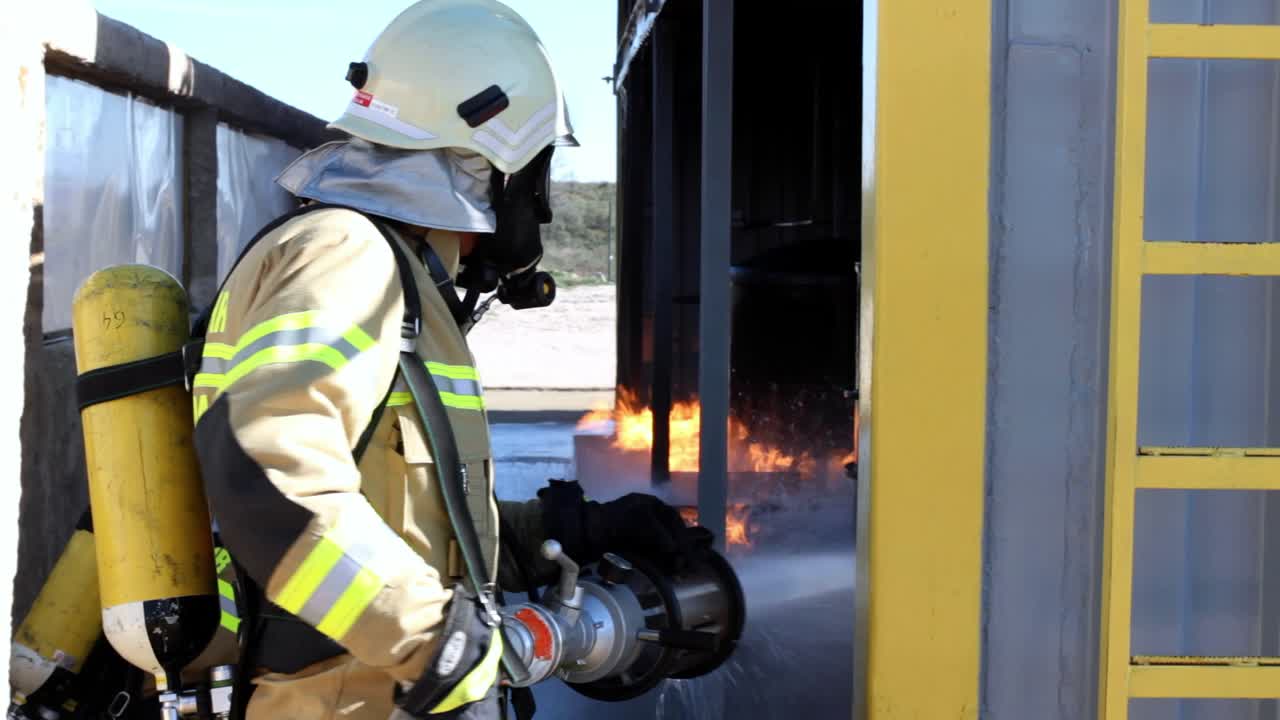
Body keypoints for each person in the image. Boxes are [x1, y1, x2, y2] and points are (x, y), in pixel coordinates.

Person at [189, 2, 689, 718]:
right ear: (492, 159)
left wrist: (566, 529)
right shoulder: (347, 254)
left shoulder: (398, 274)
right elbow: (263, 465)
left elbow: (407, 518)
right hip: (335, 698)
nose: (542, 204)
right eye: (541, 166)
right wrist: (434, 638)